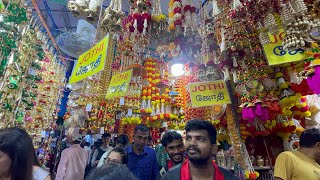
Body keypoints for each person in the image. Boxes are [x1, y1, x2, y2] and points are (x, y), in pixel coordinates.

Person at [162, 119, 237, 180]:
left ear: (213, 149)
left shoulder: (228, 177)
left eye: (200, 139)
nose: (192, 143)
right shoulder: (170, 177)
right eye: (188, 138)